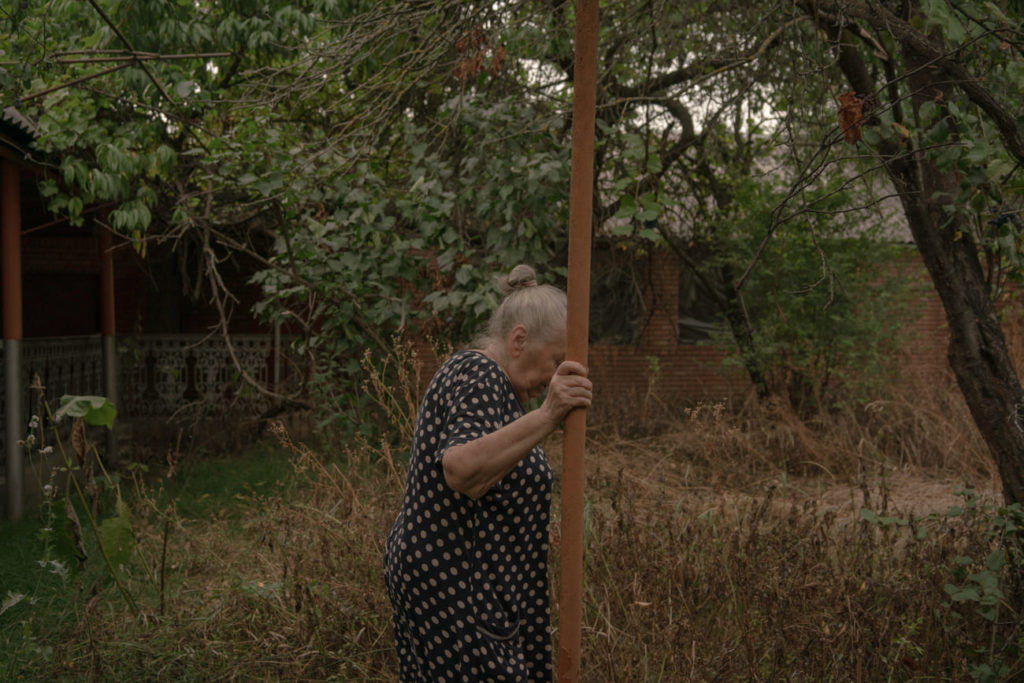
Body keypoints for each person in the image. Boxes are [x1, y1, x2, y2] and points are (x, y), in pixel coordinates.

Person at [383, 264, 593, 681]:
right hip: (457, 584)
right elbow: (460, 468)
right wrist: (548, 413)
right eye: (556, 360)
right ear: (519, 340)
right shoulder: (480, 373)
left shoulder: (501, 391)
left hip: (471, 587)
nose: (556, 375)